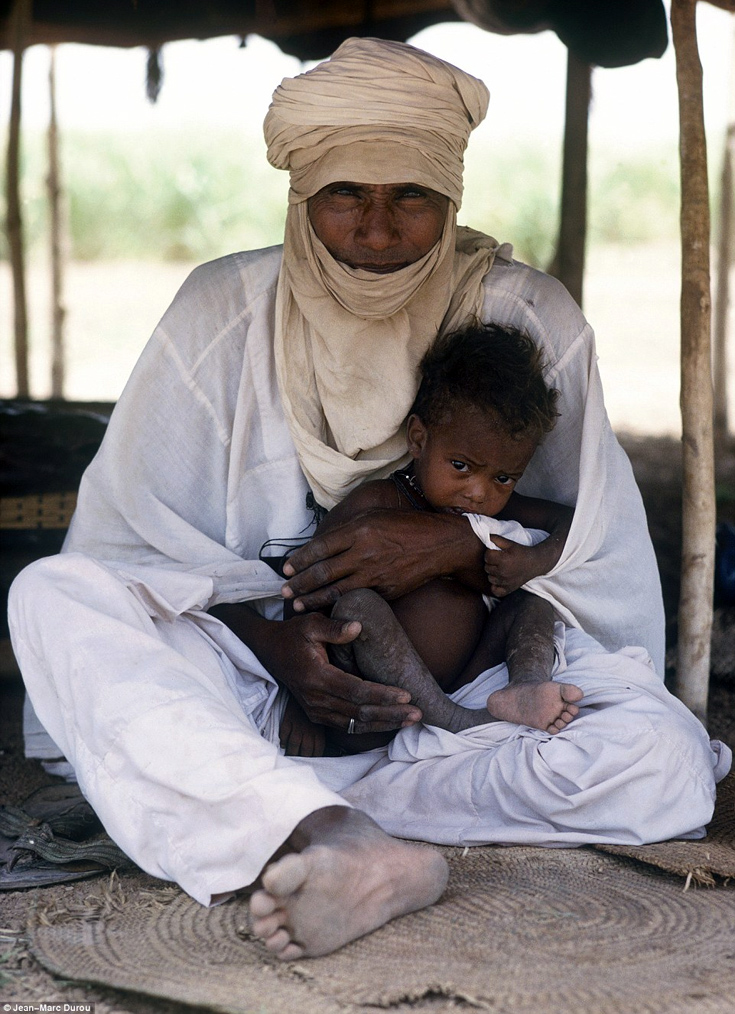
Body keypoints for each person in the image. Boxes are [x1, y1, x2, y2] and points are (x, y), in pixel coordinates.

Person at [8, 38, 729, 964]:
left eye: (412, 198)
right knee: (54, 596)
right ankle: (337, 834)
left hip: (472, 703)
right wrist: (275, 644)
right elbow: (133, 553)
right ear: (303, 193)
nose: (378, 230)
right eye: (346, 193)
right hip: (262, 690)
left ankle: (269, 805)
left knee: (663, 766)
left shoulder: (524, 317)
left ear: (452, 198)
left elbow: (599, 550)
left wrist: (453, 548)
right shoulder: (222, 310)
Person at [279, 321, 584, 758]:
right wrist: (296, 699)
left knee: (534, 601)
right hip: (374, 708)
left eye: (503, 477)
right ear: (419, 439)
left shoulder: (495, 508)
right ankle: (454, 723)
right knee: (355, 607)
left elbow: (572, 522)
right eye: (461, 465)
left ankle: (527, 685)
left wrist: (536, 559)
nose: (479, 492)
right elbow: (303, 587)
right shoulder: (379, 504)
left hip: (467, 682)